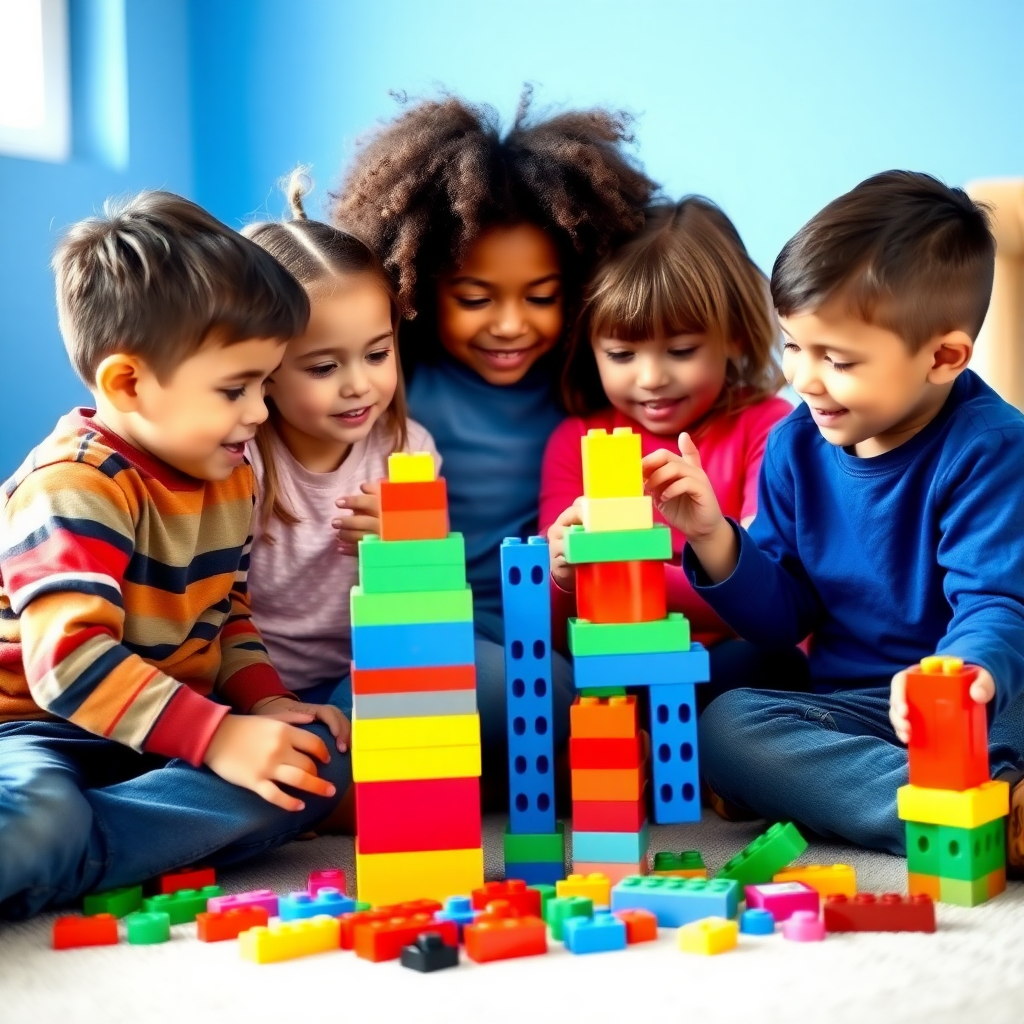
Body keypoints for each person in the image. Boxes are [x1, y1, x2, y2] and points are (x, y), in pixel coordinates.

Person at [642, 171, 1024, 865]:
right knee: (726, 727)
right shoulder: (797, 444)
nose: (802, 378)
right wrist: (711, 533)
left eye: (837, 360)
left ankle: (976, 794)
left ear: (942, 357)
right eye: (793, 345)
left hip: (982, 701)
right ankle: (968, 810)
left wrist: (964, 676)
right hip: (863, 707)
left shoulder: (990, 447)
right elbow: (783, 618)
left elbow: (997, 603)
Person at [0, 192, 350, 919]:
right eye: (235, 389)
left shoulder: (231, 469)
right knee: (38, 819)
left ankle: (63, 861)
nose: (258, 412)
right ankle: (62, 847)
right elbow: (64, 664)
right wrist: (218, 735)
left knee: (306, 771)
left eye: (264, 383)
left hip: (155, 737)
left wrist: (266, 703)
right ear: (128, 382)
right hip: (33, 732)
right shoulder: (73, 483)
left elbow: (225, 614)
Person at [332, 90, 659, 759]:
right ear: (415, 284)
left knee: (565, 708)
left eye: (541, 297)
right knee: (428, 699)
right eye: (475, 299)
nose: (510, 325)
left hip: (544, 642)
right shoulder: (391, 386)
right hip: (421, 631)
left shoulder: (584, 390)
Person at [540, 198, 802, 704]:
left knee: (771, 663)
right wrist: (565, 576)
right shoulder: (573, 444)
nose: (652, 378)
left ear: (736, 337)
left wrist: (616, 570)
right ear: (589, 347)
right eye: (621, 354)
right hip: (611, 668)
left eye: (681, 351)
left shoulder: (768, 429)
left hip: (726, 667)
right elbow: (555, 618)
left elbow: (765, 598)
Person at [243, 171, 438, 734]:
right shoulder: (245, 461)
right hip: (253, 687)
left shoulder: (408, 449)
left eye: (377, 354)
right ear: (265, 371)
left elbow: (422, 609)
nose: (358, 385)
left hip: (366, 675)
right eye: (324, 367)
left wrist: (409, 547)